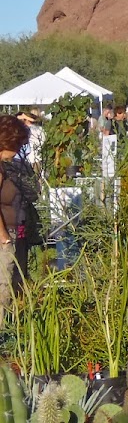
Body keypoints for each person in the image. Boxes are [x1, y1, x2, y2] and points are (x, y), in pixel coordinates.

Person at [0, 115, 38, 312]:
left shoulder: (9, 166)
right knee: (3, 291)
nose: (16, 152)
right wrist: (5, 238)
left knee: (14, 287)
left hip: (16, 230)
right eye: (16, 145)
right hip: (4, 237)